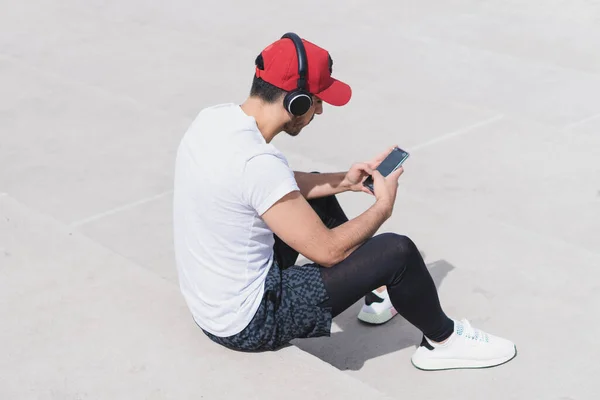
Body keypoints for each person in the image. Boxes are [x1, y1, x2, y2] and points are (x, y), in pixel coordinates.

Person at [172, 32, 517, 371]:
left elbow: (274, 186)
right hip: (250, 322)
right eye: (317, 101)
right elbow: (327, 252)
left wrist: (344, 182)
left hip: (211, 304)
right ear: (297, 102)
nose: (319, 111)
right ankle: (443, 342)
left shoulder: (214, 121)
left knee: (318, 197)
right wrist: (383, 207)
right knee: (397, 252)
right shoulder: (257, 164)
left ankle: (380, 286)